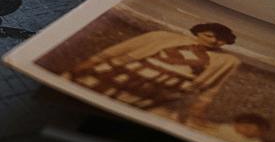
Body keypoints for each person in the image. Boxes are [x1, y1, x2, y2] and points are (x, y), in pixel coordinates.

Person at [65, 23, 239, 119]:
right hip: (123, 73)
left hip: (162, 90)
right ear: (198, 32)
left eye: (221, 40)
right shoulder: (163, 36)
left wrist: (199, 109)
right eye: (208, 35)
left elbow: (212, 88)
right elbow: (119, 49)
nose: (213, 41)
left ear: (226, 43)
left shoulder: (228, 61)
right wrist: (89, 63)